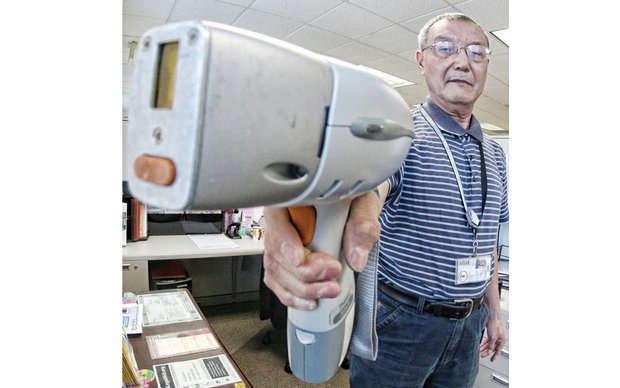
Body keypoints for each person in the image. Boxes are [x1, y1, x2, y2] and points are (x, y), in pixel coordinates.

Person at [262, 12, 508, 388]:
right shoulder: (397, 136)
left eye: (476, 51)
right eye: (446, 48)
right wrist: (288, 209)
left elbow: (487, 240)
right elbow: (362, 193)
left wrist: (494, 311)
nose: (462, 60)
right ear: (422, 60)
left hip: (469, 326)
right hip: (403, 325)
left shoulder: (496, 154)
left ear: (486, 65)